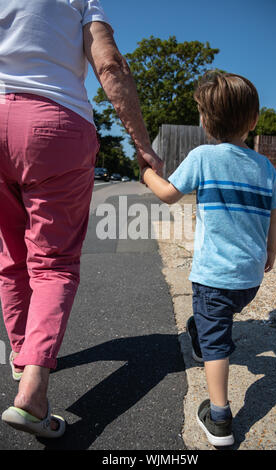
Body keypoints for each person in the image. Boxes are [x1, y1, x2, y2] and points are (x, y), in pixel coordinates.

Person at [0, 0, 162, 438]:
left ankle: (22, 355)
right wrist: (142, 144)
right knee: (52, 263)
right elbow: (108, 63)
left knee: (11, 254)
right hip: (55, 124)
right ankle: (33, 389)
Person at [142, 70, 276, 447]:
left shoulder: (203, 157)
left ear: (205, 122)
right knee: (214, 317)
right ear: (254, 121)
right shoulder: (265, 166)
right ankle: (202, 330)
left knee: (217, 345)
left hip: (214, 277)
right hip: (250, 278)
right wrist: (270, 251)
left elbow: (169, 195)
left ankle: (220, 416)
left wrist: (146, 175)